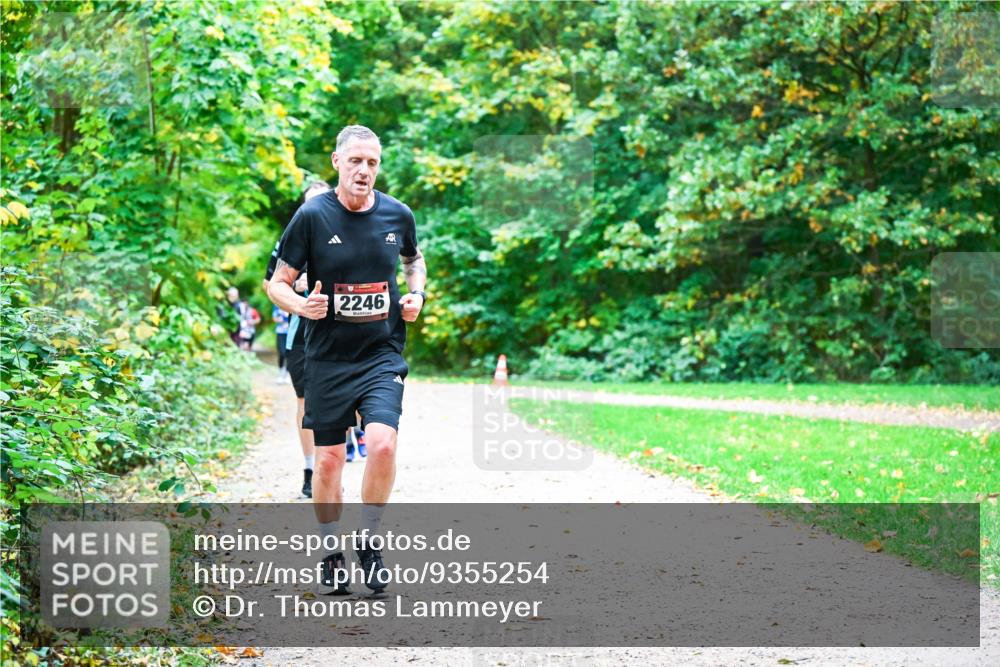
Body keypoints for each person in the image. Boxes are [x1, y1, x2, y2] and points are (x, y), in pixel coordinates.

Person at [268, 125, 426, 595]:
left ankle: (370, 541)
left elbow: (414, 261)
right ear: (337, 163)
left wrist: (417, 294)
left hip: (380, 352)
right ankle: (331, 550)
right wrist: (301, 306)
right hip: (328, 357)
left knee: (381, 444)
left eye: (372, 163)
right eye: (355, 161)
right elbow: (277, 282)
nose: (364, 170)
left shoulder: (398, 215)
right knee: (330, 461)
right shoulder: (313, 216)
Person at [263, 181, 332, 498]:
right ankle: (311, 470)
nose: (314, 209)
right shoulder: (291, 241)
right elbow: (271, 285)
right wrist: (297, 291)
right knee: (306, 403)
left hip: (343, 335)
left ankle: (333, 461)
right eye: (308, 204)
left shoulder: (349, 233)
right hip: (301, 336)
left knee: (339, 404)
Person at [273, 305, 291, 383]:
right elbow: (274, 318)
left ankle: (287, 374)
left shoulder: (291, 303)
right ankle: (280, 374)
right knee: (281, 353)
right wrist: (280, 321)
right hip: (280, 332)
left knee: (288, 354)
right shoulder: (276, 305)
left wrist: (288, 323)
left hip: (289, 332)